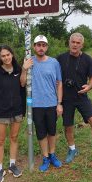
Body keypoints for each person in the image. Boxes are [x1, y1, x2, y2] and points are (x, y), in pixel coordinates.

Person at [56, 32, 92, 170]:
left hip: (81, 96)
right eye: (73, 42)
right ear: (69, 42)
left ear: (82, 45)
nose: (75, 45)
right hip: (66, 98)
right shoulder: (60, 58)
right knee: (68, 125)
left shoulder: (87, 59)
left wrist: (89, 87)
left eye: (78, 43)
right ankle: (72, 149)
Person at [0, 45, 28, 182]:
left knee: (14, 138)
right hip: (0, 112)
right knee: (0, 141)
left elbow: (22, 89)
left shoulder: (18, 70)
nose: (6, 58)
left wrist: (23, 110)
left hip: (16, 110)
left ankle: (12, 165)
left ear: (12, 54)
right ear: (0, 58)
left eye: (8, 54)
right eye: (3, 56)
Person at [21, 35, 63, 172]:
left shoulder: (54, 62)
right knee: (41, 133)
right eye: (38, 45)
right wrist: (24, 69)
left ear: (47, 47)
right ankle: (45, 157)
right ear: (33, 47)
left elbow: (59, 83)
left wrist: (59, 103)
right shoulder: (29, 61)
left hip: (51, 103)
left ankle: (52, 155)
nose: (41, 47)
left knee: (52, 131)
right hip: (36, 105)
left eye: (43, 45)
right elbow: (22, 83)